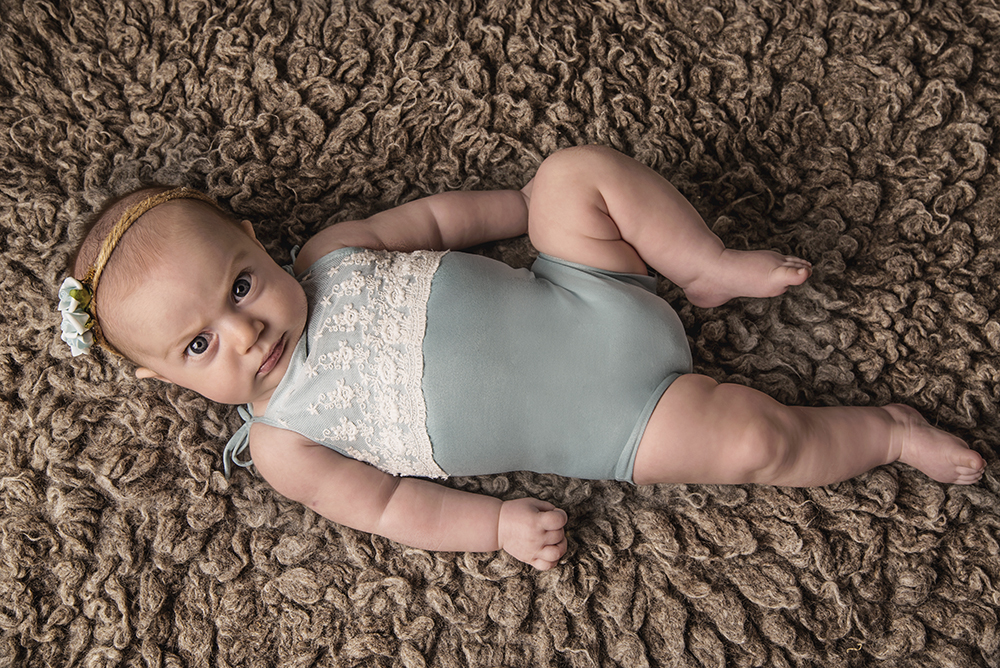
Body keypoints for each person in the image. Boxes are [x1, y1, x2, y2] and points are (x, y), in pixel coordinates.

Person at [59, 146, 985, 570]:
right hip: (622, 423)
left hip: (585, 288)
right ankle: (888, 435)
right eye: (200, 344)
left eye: (240, 288)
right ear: (166, 379)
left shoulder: (332, 253)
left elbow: (436, 221)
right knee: (754, 444)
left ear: (258, 242)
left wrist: (532, 201)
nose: (248, 335)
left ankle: (702, 268)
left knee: (575, 174)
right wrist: (494, 529)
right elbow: (389, 507)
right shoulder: (282, 443)